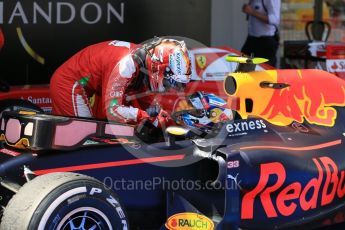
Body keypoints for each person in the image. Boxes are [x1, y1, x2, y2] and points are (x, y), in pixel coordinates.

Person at [50, 37, 191, 128]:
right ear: (158, 66)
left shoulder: (145, 62)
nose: (170, 87)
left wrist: (169, 122)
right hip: (71, 83)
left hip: (96, 87)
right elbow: (112, 110)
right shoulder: (127, 64)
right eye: (170, 81)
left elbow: (148, 105)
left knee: (105, 134)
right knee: (82, 135)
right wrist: (145, 116)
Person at [241, 0, 281, 67]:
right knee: (242, 66)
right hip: (252, 39)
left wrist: (252, 12)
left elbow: (275, 19)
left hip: (265, 41)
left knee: (265, 72)